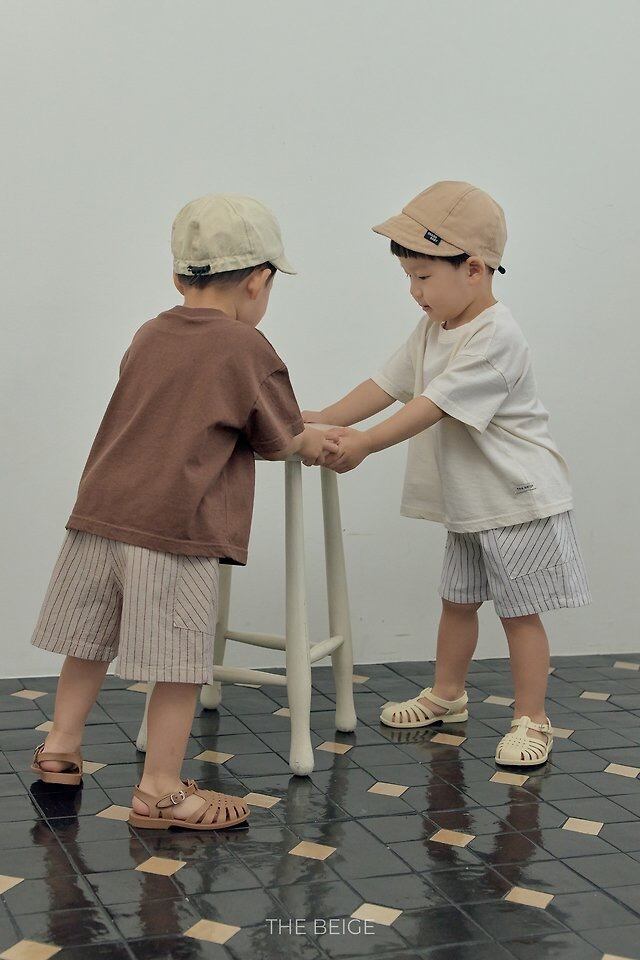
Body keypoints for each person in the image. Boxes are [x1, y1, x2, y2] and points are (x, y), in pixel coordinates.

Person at [30, 193, 338, 828]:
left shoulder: (149, 332)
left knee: (88, 640)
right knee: (176, 663)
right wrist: (317, 441)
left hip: (100, 513)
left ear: (178, 276)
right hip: (175, 526)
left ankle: (60, 748)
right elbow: (279, 438)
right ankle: (161, 790)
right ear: (258, 281)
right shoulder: (246, 347)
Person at [304, 181, 591, 767]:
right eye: (409, 277)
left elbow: (431, 403)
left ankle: (533, 719)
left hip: (517, 500)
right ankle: (447, 694)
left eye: (424, 276)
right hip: (472, 502)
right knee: (457, 601)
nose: (414, 291)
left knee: (519, 614)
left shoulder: (497, 336)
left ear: (475, 270)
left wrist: (365, 444)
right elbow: (389, 383)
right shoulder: (434, 327)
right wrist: (325, 417)